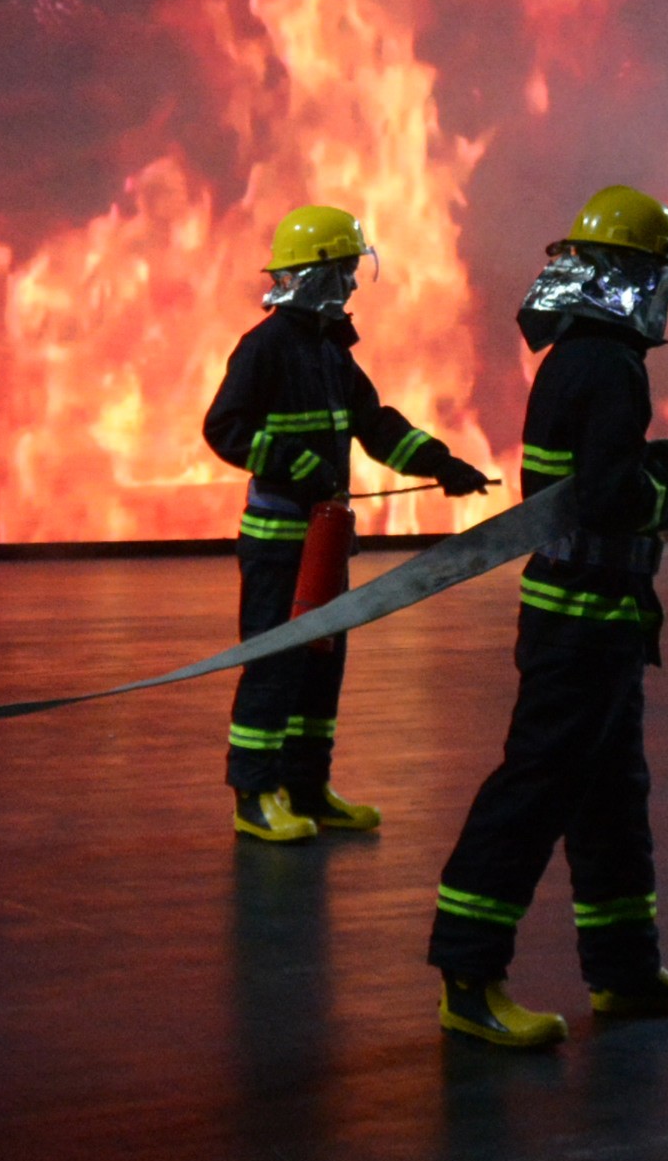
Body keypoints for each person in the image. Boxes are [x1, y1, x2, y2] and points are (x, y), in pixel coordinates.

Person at [427, 186, 668, 1048]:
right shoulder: (611, 367)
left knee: (612, 797)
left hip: (599, 620)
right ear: (628, 278)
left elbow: (598, 473)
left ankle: (625, 971)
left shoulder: (581, 357)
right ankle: (469, 979)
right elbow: (613, 497)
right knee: (536, 788)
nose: (665, 297)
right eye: (659, 278)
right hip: (583, 622)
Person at [202, 204, 491, 843]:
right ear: (318, 274)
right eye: (347, 271)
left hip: (325, 543)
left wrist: (442, 463)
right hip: (280, 542)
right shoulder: (267, 347)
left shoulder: (330, 352)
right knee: (274, 662)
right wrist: (293, 464)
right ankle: (254, 796)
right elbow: (224, 428)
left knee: (320, 665)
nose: (356, 284)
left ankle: (307, 787)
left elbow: (375, 422)